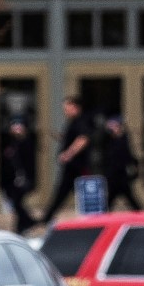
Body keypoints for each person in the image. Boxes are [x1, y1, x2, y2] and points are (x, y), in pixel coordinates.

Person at [41, 96, 95, 225]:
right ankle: (46, 217)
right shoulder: (73, 122)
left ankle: (46, 218)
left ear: (75, 107)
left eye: (67, 108)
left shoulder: (81, 121)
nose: (65, 111)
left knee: (82, 193)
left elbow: (83, 139)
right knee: (63, 192)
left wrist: (68, 154)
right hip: (72, 167)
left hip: (78, 166)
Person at [0, 119, 39, 234]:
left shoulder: (27, 143)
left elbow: (27, 163)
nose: (17, 130)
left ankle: (26, 222)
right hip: (11, 178)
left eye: (19, 127)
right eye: (14, 127)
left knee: (17, 202)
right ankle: (23, 224)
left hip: (23, 178)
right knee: (16, 202)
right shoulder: (9, 142)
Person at [99, 116, 144, 212]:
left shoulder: (124, 139)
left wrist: (135, 166)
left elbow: (128, 155)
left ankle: (140, 213)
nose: (114, 129)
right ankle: (104, 213)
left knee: (127, 196)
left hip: (121, 174)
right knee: (111, 197)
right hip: (112, 173)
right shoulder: (107, 140)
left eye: (116, 126)